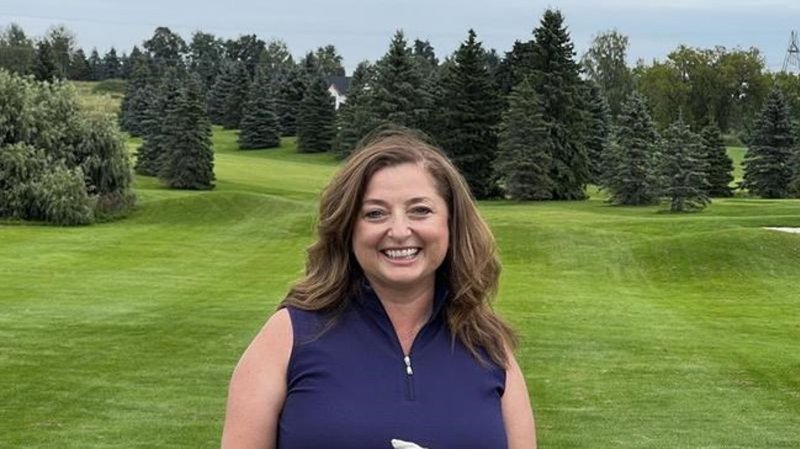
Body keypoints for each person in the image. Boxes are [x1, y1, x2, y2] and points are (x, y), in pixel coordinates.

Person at [220, 127, 536, 449]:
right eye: (375, 214)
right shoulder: (288, 336)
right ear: (348, 228)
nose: (399, 231)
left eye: (420, 210)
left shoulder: (488, 346)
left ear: (451, 223)